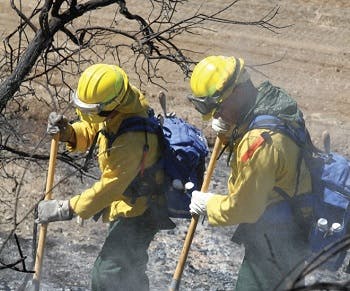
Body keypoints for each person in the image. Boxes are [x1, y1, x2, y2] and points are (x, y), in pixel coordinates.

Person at [36, 63, 175, 291]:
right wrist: (69, 133)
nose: (87, 114)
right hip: (129, 204)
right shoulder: (119, 103)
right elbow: (96, 128)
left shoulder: (133, 139)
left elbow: (111, 186)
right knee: (129, 270)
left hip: (140, 211)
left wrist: (66, 208)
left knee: (108, 274)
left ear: (109, 107)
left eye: (91, 109)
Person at [187, 55, 314, 291]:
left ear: (237, 92)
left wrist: (209, 204)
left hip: (276, 242)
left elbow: (244, 208)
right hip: (289, 231)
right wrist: (231, 129)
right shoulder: (270, 103)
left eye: (219, 108)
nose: (216, 115)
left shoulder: (260, 142)